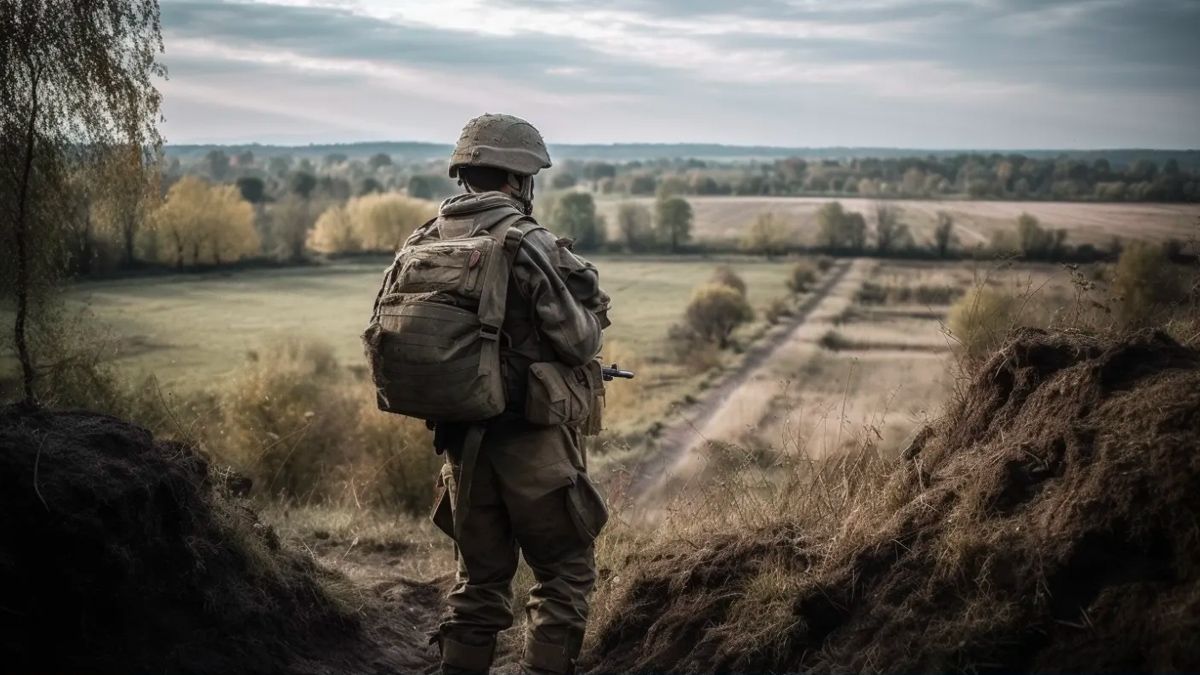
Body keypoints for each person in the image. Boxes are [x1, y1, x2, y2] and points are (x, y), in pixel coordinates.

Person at [426, 113, 611, 675]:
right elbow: (578, 341)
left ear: (465, 174)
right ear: (518, 179)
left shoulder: (427, 237)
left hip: (460, 441)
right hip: (532, 442)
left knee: (477, 583)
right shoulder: (524, 241)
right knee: (564, 572)